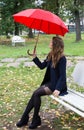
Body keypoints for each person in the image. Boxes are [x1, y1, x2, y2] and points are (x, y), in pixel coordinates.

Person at [16, 36, 68, 129]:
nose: (49, 43)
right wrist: (35, 57)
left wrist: (58, 89)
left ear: (55, 44)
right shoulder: (50, 55)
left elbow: (62, 76)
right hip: (49, 82)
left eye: (51, 42)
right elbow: (42, 66)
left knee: (36, 93)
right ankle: (28, 118)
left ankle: (30, 118)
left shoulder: (62, 58)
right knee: (35, 94)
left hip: (56, 85)